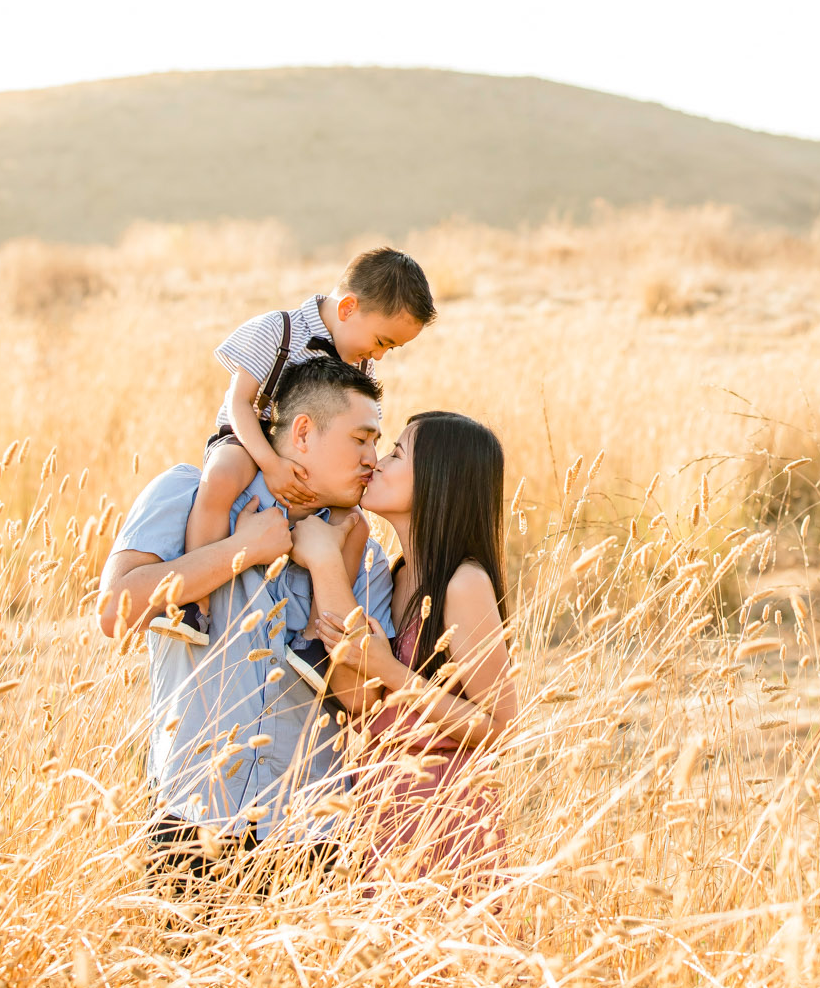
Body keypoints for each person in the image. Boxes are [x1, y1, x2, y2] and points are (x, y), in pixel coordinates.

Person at [95, 356, 396, 894]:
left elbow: (360, 698)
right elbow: (116, 611)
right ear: (303, 433)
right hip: (192, 822)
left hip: (310, 835)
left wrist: (328, 565)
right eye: (361, 439)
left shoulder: (365, 554)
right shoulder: (186, 496)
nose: (374, 458)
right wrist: (241, 550)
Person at [151, 248, 434, 652]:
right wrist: (269, 463)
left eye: (391, 349)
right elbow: (238, 402)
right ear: (349, 307)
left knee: (355, 524)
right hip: (248, 439)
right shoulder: (277, 330)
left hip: (303, 457)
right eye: (381, 341)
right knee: (220, 477)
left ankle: (317, 636)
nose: (380, 355)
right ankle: (193, 603)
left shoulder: (360, 366)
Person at [311, 411, 518, 878]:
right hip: (381, 809)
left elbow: (501, 727)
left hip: (446, 817)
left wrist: (387, 669)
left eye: (397, 453)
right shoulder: (395, 575)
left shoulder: (463, 584)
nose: (377, 463)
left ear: (439, 480)